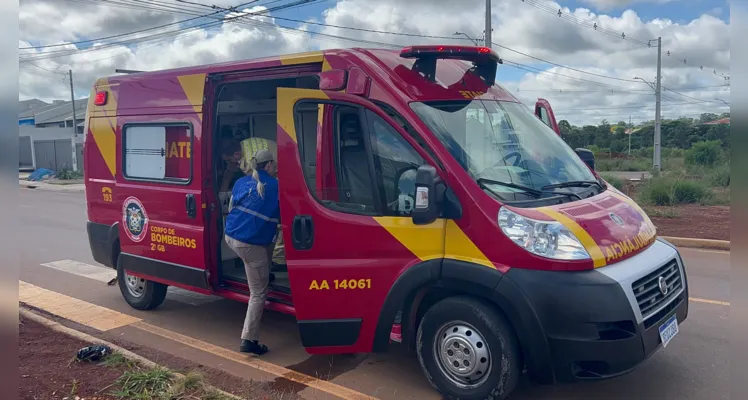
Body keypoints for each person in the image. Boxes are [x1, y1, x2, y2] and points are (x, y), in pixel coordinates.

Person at [224, 149, 279, 355]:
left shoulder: (241, 181)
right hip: (248, 244)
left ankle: (265, 271)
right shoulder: (274, 186)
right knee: (258, 293)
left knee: (267, 243)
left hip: (231, 236)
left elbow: (232, 207)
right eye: (275, 163)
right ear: (269, 165)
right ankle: (249, 340)